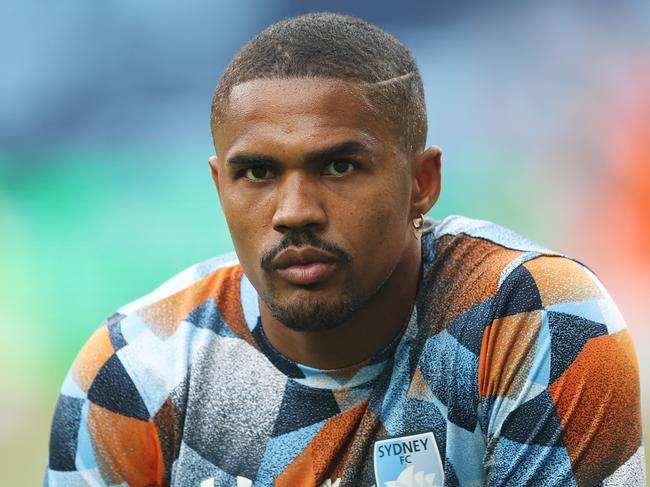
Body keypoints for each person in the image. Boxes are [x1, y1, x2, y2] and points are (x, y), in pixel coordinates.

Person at [45, 12, 645, 487]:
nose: (295, 211)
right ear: (218, 186)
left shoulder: (531, 321)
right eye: (256, 172)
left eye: (338, 165)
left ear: (422, 184)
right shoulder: (138, 369)